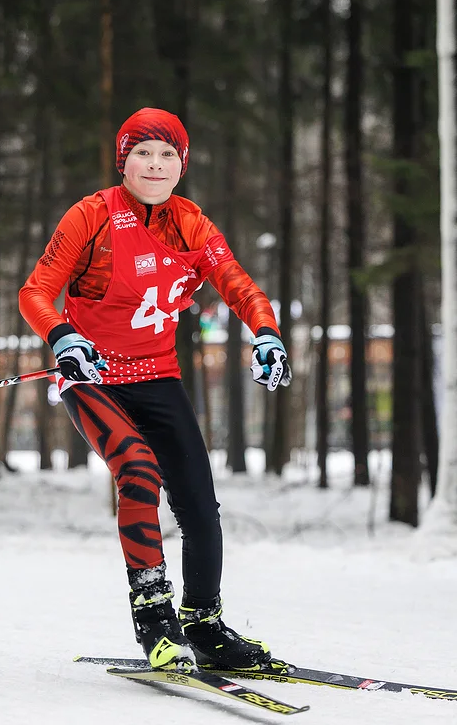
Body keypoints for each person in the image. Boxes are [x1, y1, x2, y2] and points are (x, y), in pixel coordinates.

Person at [18, 108, 291, 671]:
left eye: (168, 154)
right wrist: (64, 337)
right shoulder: (90, 216)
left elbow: (239, 285)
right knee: (138, 470)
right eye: (143, 152)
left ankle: (207, 626)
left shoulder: (192, 223)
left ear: (182, 165)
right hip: (93, 377)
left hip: (158, 376)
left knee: (198, 500)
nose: (156, 164)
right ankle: (155, 619)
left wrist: (267, 334)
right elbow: (35, 292)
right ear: (124, 160)